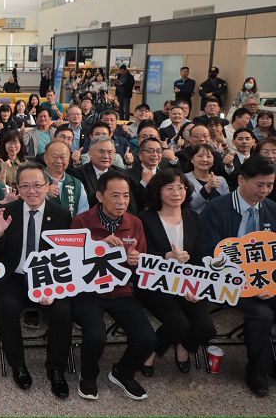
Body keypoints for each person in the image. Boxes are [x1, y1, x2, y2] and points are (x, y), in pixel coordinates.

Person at [0, 162, 72, 398]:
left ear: (47, 186)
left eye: (37, 185)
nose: (32, 191)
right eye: (25, 186)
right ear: (18, 188)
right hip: (15, 276)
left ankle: (56, 369)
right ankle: (18, 364)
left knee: (63, 313)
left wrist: (52, 286)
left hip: (48, 277)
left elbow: (67, 257)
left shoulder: (62, 215)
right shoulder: (7, 212)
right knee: (5, 309)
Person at [70, 171, 156, 400]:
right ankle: (88, 375)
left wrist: (136, 260)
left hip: (120, 290)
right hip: (88, 289)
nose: (121, 202)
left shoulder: (134, 223)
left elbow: (141, 262)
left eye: (126, 196)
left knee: (147, 338)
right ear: (100, 196)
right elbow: (70, 261)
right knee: (96, 336)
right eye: (115, 195)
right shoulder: (82, 222)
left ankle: (123, 373)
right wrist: (97, 246)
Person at [200, 156, 276, 396]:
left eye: (270, 185)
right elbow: (209, 253)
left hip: (266, 280)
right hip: (229, 281)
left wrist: (270, 283)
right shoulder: (216, 208)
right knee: (262, 314)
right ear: (241, 180)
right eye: (259, 184)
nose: (264, 191)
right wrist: (250, 283)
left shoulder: (272, 209)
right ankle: (256, 370)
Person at [136, 170, 216, 376]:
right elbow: (140, 256)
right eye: (169, 188)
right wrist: (166, 257)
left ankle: (183, 345)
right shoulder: (144, 219)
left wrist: (195, 285)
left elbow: (200, 256)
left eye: (181, 187)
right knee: (178, 324)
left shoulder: (193, 217)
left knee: (206, 328)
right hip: (156, 282)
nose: (176, 193)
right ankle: (152, 351)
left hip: (188, 282)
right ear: (158, 191)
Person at [73, 135, 142, 214]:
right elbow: (82, 202)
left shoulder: (121, 174)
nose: (106, 156)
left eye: (110, 152)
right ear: (90, 153)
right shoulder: (78, 174)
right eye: (101, 152)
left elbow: (131, 206)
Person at [44, 140, 89, 218]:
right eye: (54, 157)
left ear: (68, 160)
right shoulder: (35, 181)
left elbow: (83, 213)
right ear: (45, 158)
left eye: (62, 157)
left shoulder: (77, 184)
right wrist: (45, 195)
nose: (58, 161)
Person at [185, 143, 229, 213]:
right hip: (195, 218)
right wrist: (207, 188)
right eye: (200, 156)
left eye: (208, 156)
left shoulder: (221, 180)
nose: (204, 159)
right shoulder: (184, 179)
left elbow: (227, 204)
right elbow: (190, 205)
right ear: (192, 159)